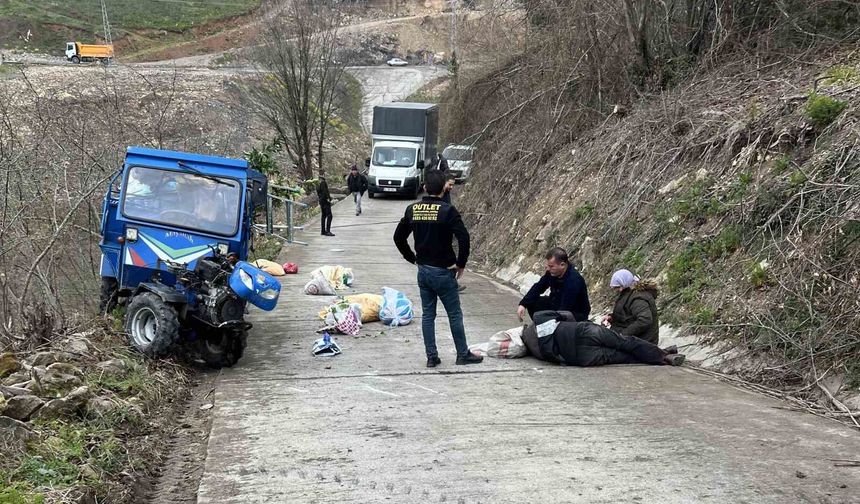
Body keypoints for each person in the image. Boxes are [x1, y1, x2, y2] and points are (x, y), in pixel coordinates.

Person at [393, 170, 482, 367]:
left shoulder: (412, 210)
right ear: (443, 188)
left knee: (428, 315)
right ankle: (462, 354)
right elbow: (464, 238)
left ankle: (431, 357)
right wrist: (461, 264)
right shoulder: (448, 211)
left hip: (423, 271)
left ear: (424, 187)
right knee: (454, 314)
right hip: (444, 271)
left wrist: (412, 258)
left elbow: (398, 237)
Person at [522, 311, 684, 367]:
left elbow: (556, 359)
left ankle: (664, 358)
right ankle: (664, 354)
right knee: (625, 342)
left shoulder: (538, 352)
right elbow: (568, 315)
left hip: (581, 356)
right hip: (582, 331)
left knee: (623, 357)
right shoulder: (539, 318)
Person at [517, 247, 590, 322]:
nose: (548, 269)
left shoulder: (573, 280)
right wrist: (523, 304)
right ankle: (540, 327)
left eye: (551, 266)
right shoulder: (552, 273)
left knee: (558, 316)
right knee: (533, 302)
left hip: (574, 313)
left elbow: (565, 307)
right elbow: (538, 287)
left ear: (562, 265)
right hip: (556, 304)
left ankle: (549, 330)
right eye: (548, 266)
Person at [602, 269, 660, 344]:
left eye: (618, 287)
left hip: (643, 342)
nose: (616, 290)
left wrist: (623, 335)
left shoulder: (638, 298)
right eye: (615, 288)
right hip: (632, 339)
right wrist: (612, 317)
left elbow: (645, 320)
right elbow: (627, 315)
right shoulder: (628, 293)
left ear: (624, 283)